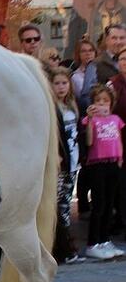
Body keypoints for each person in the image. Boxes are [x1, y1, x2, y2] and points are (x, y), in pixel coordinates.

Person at [81, 84, 126, 260]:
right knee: (98, 204)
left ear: (111, 103)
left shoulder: (116, 119)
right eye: (98, 101)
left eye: (105, 101)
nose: (101, 104)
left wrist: (120, 158)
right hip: (97, 164)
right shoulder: (90, 120)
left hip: (113, 163)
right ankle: (93, 243)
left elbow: (118, 139)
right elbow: (89, 142)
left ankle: (104, 239)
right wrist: (90, 120)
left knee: (109, 204)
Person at [50, 68, 82, 264]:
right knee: (56, 206)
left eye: (64, 83)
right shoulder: (52, 108)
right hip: (60, 165)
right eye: (57, 83)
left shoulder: (72, 106)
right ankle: (60, 247)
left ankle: (66, 245)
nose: (61, 87)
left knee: (65, 205)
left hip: (73, 163)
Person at [72, 39, 98, 108]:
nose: (88, 53)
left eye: (91, 50)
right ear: (78, 54)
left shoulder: (101, 69)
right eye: (83, 51)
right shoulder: (75, 76)